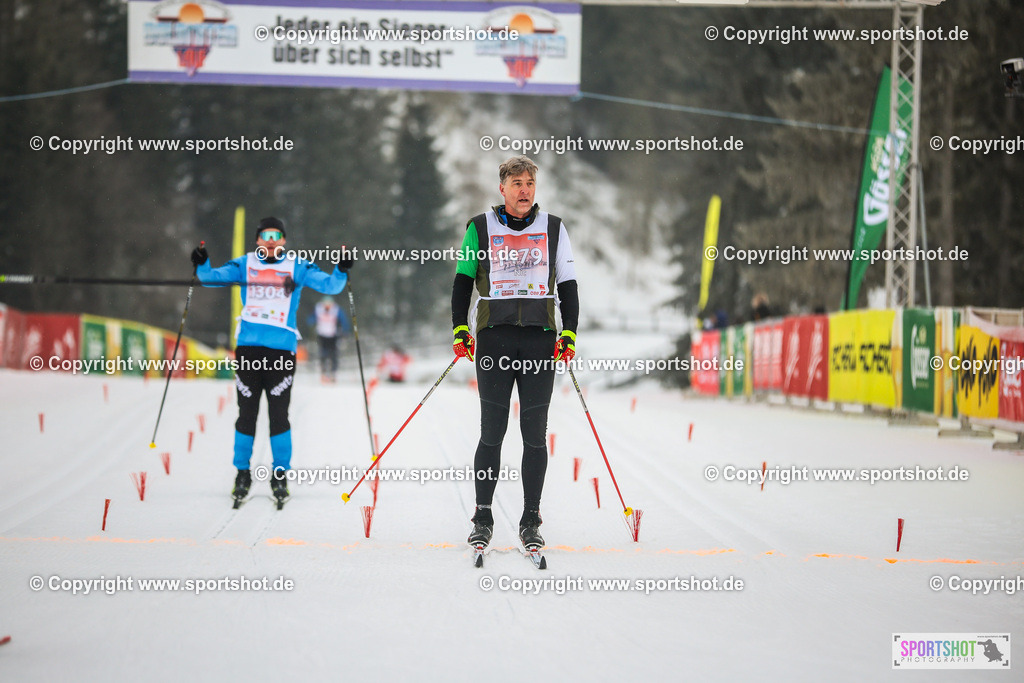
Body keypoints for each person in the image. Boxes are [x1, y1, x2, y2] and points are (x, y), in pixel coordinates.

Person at [450, 155, 579, 550]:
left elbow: (569, 286)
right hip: (494, 339)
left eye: (530, 183)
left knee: (534, 435)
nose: (524, 190)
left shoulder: (554, 228)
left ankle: (530, 518)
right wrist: (459, 328)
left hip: (540, 339)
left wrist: (569, 333)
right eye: (517, 183)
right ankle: (483, 515)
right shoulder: (479, 227)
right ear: (502, 188)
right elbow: (462, 282)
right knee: (493, 432)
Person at [190, 217, 353, 506]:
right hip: (249, 351)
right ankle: (242, 473)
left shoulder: (297, 265)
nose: (271, 240)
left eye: (276, 235)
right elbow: (209, 278)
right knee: (246, 414)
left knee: (279, 416)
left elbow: (330, 286)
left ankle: (280, 475)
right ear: (257, 240)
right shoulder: (245, 264)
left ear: (284, 240)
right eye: (265, 235)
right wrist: (202, 262)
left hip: (281, 353)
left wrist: (341, 268)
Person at [308, 296, 349, 383]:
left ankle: (333, 374)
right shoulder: (318, 308)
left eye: (329, 304)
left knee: (333, 355)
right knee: (323, 355)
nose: (327, 306)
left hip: (333, 335)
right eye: (326, 304)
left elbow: (344, 320)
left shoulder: (336, 309)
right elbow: (310, 319)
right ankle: (323, 374)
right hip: (322, 335)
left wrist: (345, 331)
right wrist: (311, 321)